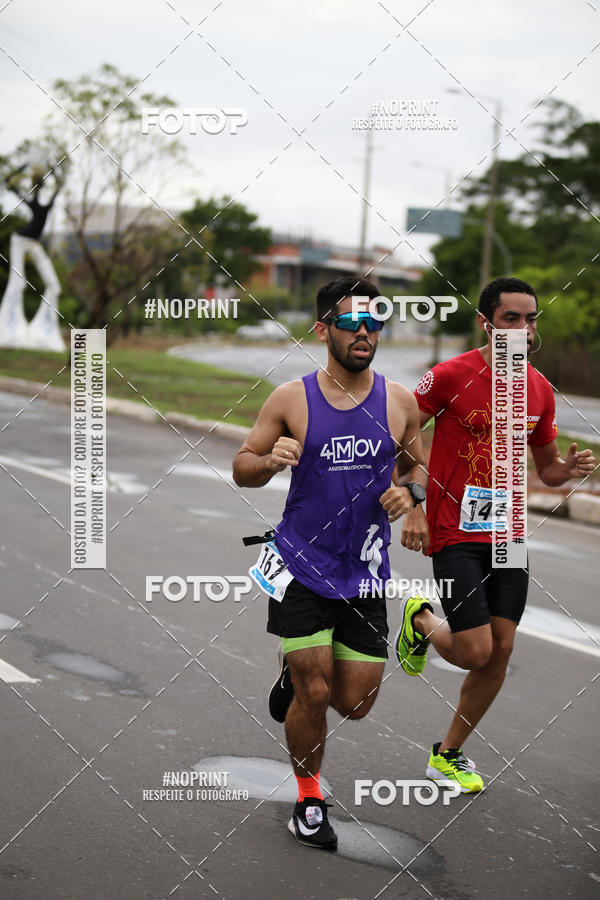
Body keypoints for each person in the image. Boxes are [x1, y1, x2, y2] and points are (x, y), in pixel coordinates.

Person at [233, 276, 428, 849]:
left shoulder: (399, 401)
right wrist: (270, 460)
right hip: (300, 564)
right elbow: (242, 464)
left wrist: (412, 495)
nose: (365, 332)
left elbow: (420, 467)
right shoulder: (292, 398)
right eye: (352, 322)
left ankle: (289, 673)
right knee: (314, 693)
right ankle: (310, 797)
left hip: (365, 572)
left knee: (355, 703)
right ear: (323, 330)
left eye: (374, 322)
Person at [395, 276, 597, 793]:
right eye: (512, 318)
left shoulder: (540, 389)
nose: (525, 329)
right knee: (474, 651)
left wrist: (569, 470)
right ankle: (420, 621)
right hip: (454, 527)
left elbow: (546, 470)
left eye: (531, 319)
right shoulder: (450, 375)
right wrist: (415, 500)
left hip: (508, 534)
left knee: (501, 649)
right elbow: (403, 432)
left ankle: (449, 752)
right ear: (486, 322)